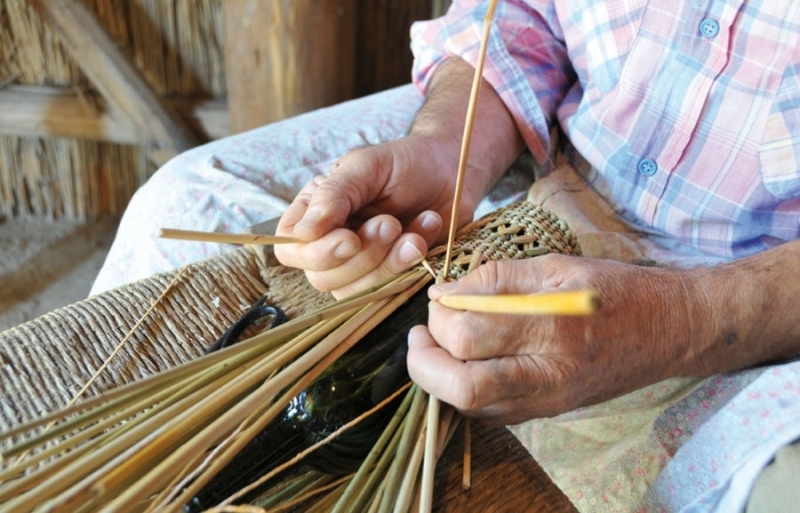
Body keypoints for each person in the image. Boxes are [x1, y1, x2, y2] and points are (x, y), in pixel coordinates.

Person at [92, 1, 800, 511]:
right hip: (551, 162)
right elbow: (521, 14)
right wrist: (445, 149)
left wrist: (678, 317)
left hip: (758, 292)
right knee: (185, 202)